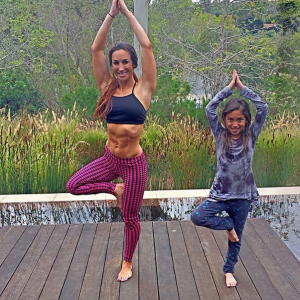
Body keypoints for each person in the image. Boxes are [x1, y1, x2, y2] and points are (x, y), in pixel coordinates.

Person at [66, 0, 156, 282]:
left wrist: (127, 13)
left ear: (133, 64)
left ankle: (127, 262)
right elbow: (95, 49)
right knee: (73, 186)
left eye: (124, 62)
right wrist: (111, 14)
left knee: (130, 218)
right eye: (115, 63)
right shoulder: (106, 86)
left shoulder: (144, 89)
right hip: (109, 160)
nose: (119, 67)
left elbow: (147, 46)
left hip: (134, 165)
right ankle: (114, 189)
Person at [191, 69, 268, 287]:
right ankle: (227, 224)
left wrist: (243, 90)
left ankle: (228, 270)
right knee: (197, 216)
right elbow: (209, 108)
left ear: (246, 121)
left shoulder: (251, 136)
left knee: (237, 240)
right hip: (220, 194)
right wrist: (228, 89)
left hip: (242, 196)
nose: (235, 124)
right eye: (231, 119)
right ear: (225, 120)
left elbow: (263, 107)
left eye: (240, 120)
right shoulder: (220, 134)